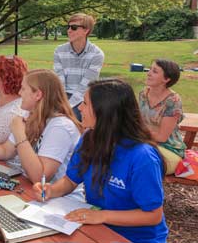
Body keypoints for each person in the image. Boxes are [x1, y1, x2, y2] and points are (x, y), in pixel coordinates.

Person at [33, 79, 168, 243]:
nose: (80, 108)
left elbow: (153, 215)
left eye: (85, 103)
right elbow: (70, 180)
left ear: (104, 112)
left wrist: (101, 215)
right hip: (96, 227)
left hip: (135, 238)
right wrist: (51, 190)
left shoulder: (142, 157)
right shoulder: (89, 138)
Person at [0, 69, 84, 199]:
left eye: (23, 89)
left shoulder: (60, 127)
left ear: (38, 95)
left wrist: (20, 133)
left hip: (57, 200)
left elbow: (40, 177)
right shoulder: (30, 115)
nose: (20, 93)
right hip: (31, 189)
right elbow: (5, 150)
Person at [54, 13, 104, 121]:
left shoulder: (97, 54)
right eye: (68, 27)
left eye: (74, 27)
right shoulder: (59, 51)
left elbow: (85, 86)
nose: (69, 30)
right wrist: (62, 102)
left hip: (84, 97)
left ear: (86, 30)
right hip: (62, 95)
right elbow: (59, 80)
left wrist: (68, 106)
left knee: (68, 120)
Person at [139, 59, 185, 174]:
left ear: (166, 79)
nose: (148, 73)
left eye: (154, 71)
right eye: (150, 69)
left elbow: (161, 137)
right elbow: (138, 122)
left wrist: (135, 133)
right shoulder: (143, 94)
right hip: (146, 143)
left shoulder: (172, 101)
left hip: (168, 149)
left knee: (135, 159)